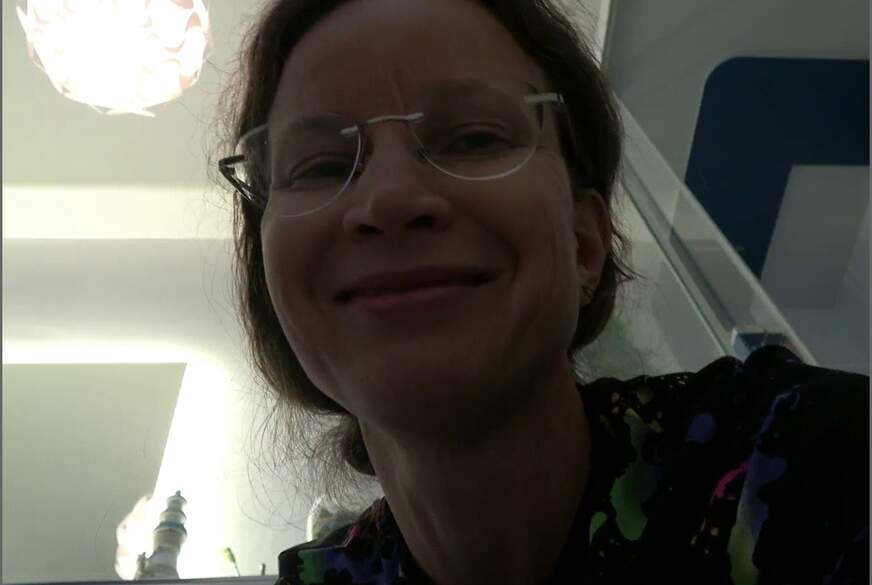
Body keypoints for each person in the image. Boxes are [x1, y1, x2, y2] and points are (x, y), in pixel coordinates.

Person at [215, 0, 870, 583]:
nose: (389, 198)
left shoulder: (812, 453)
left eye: (475, 138)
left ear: (586, 243)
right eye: (321, 165)